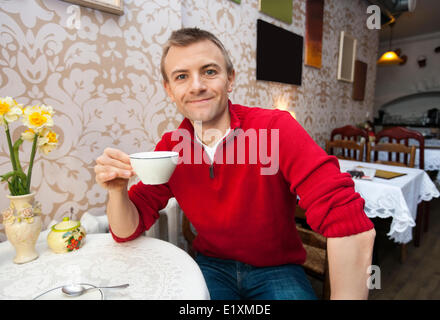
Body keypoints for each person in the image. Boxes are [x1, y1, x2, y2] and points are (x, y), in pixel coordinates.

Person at [94, 28, 375, 300]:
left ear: (230, 79)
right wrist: (117, 190)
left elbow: (346, 217)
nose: (197, 86)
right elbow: (126, 230)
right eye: (182, 76)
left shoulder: (275, 128)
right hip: (212, 266)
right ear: (169, 90)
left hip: (277, 268)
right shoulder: (171, 146)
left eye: (209, 71)